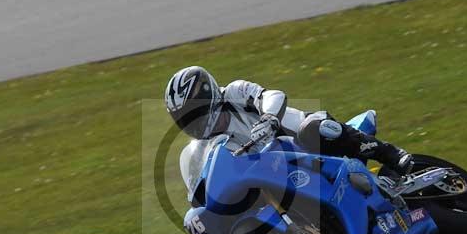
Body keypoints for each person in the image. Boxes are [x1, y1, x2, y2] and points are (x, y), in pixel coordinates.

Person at [164, 66, 413, 174]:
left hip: (301, 139)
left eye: (193, 114)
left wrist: (269, 118)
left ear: (209, 95)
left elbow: (271, 95)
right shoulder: (207, 148)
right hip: (275, 170)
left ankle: (389, 153)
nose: (192, 123)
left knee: (313, 128)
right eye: (184, 119)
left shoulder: (235, 92)